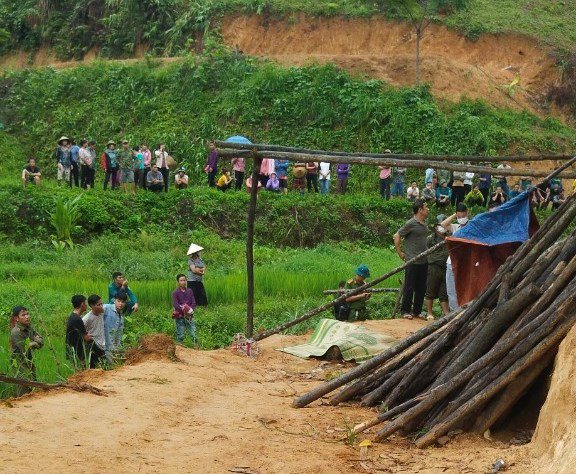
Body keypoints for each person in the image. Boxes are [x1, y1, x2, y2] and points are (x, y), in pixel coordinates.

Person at [393, 199, 429, 319]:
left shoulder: (424, 223)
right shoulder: (411, 223)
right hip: (412, 260)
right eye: (426, 207)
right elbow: (397, 235)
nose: (428, 209)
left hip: (424, 260)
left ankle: (417, 311)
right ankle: (405, 311)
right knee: (409, 286)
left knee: (421, 287)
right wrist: (400, 252)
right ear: (420, 210)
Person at [441, 203, 469, 311]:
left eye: (463, 216)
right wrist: (454, 215)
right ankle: (454, 312)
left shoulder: (472, 225)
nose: (461, 219)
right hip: (451, 262)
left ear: (467, 213)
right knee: (451, 290)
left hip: (465, 263)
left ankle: (464, 311)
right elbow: (443, 224)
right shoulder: (455, 227)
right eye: (459, 217)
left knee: (464, 287)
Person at [10, 307, 43, 395]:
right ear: (16, 318)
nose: (27, 316)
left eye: (27, 314)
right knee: (23, 392)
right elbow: (24, 348)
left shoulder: (29, 328)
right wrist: (35, 342)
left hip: (30, 362)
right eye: (23, 315)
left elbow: (41, 342)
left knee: (33, 390)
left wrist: (34, 343)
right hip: (19, 365)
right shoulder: (16, 332)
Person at [425, 215, 450, 318]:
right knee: (430, 289)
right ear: (436, 226)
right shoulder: (430, 239)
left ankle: (446, 313)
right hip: (434, 266)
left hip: (446, 267)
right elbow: (426, 252)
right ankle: (429, 313)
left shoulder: (450, 237)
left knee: (444, 292)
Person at [65, 294, 94, 368]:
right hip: (76, 351)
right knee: (80, 371)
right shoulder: (77, 319)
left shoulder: (73, 316)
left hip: (72, 349)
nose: (87, 305)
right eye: (85, 303)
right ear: (82, 304)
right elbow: (86, 338)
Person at [82, 294, 107, 367]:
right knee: (93, 367)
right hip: (93, 345)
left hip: (102, 345)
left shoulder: (102, 313)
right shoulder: (87, 318)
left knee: (103, 366)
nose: (101, 306)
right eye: (98, 305)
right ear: (92, 306)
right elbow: (80, 331)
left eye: (101, 304)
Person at [172, 274, 197, 344]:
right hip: (180, 316)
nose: (183, 282)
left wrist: (190, 311)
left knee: (193, 333)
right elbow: (176, 305)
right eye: (181, 280)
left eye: (184, 280)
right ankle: (179, 347)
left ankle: (196, 347)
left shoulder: (189, 291)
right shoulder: (175, 293)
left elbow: (193, 302)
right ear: (178, 282)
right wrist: (184, 312)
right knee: (181, 335)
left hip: (190, 315)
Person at [103, 291, 127, 358]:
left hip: (112, 347)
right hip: (102, 345)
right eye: (118, 301)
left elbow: (119, 334)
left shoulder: (121, 317)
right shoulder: (106, 308)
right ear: (114, 300)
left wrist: (118, 347)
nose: (120, 304)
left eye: (123, 302)